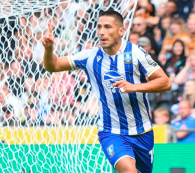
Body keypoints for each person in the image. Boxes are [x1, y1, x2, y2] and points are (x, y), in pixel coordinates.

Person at [42, 10, 171, 173]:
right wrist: (48, 49)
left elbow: (165, 82)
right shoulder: (90, 56)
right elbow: (53, 66)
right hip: (111, 131)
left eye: (108, 27)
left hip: (142, 131)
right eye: (99, 27)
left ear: (121, 31)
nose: (102, 32)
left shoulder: (136, 53)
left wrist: (134, 87)